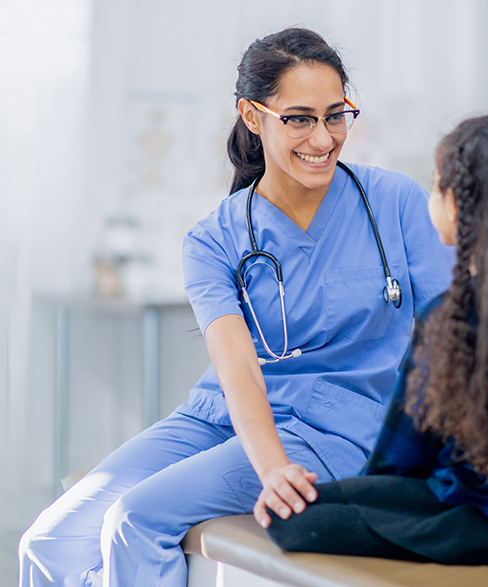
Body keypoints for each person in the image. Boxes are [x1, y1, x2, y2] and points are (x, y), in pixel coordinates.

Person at [19, 27, 453, 587]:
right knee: (48, 542)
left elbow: (461, 339)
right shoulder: (215, 238)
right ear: (253, 116)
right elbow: (237, 366)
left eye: (335, 115)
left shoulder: (392, 202)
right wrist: (267, 463)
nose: (322, 138)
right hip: (220, 416)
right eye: (299, 118)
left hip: (336, 427)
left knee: (136, 520)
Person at [265, 114, 488, 564]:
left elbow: (400, 466)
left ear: (458, 204)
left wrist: (359, 492)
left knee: (291, 516)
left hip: (475, 518)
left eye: (437, 187)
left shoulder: (453, 318)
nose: (431, 199)